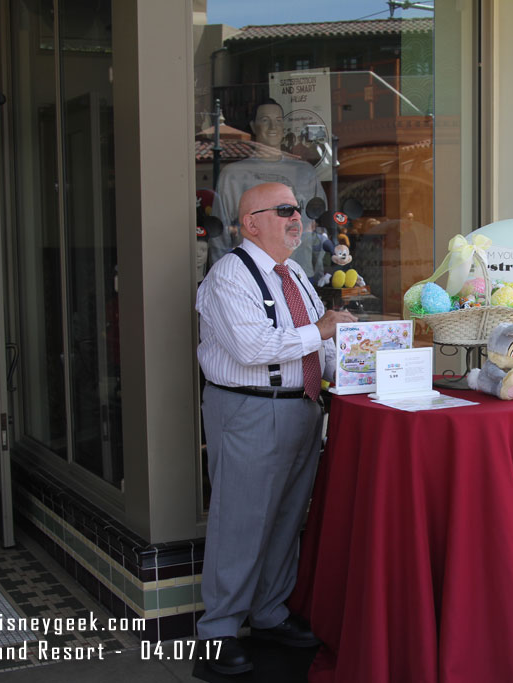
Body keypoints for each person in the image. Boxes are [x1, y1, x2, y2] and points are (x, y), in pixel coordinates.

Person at [195, 182, 358, 675]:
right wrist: (323, 329)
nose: (299, 220)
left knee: (287, 519)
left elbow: (314, 348)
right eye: (285, 210)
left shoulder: (296, 276)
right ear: (251, 222)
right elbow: (253, 347)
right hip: (249, 409)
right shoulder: (230, 276)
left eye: (300, 211)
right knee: (240, 522)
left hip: (301, 406)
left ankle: (268, 614)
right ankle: (218, 634)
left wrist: (360, 362)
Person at [213, 99, 326, 268]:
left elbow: (319, 226)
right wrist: (222, 272)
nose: (273, 127)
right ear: (253, 126)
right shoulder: (233, 175)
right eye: (265, 120)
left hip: (300, 272)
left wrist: (320, 271)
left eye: (278, 121)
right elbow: (219, 233)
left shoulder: (304, 172)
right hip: (250, 275)